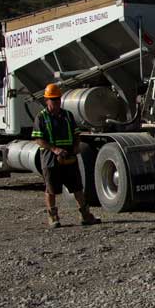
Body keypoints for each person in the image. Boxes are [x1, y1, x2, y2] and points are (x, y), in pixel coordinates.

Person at [32, 83, 100, 228]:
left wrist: (76, 146)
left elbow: (76, 134)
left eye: (58, 98)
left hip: (69, 157)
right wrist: (55, 149)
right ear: (46, 100)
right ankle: (53, 217)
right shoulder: (41, 117)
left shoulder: (68, 115)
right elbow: (38, 139)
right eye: (53, 99)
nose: (56, 102)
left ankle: (85, 215)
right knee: (51, 189)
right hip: (51, 158)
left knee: (77, 188)